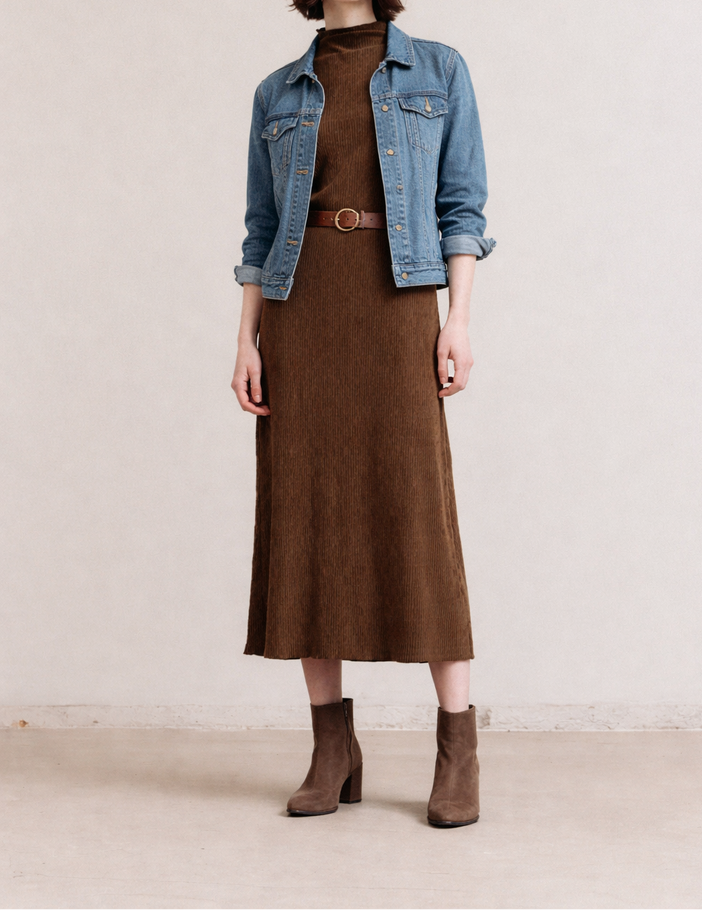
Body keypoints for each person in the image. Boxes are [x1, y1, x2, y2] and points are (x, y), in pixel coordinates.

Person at [231, 0, 495, 827]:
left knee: (416, 517)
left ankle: (457, 747)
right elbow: (260, 229)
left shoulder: (438, 69)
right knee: (308, 515)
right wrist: (246, 339)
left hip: (394, 306)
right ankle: (331, 748)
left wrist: (456, 319)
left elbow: (463, 206)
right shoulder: (279, 91)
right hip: (300, 313)